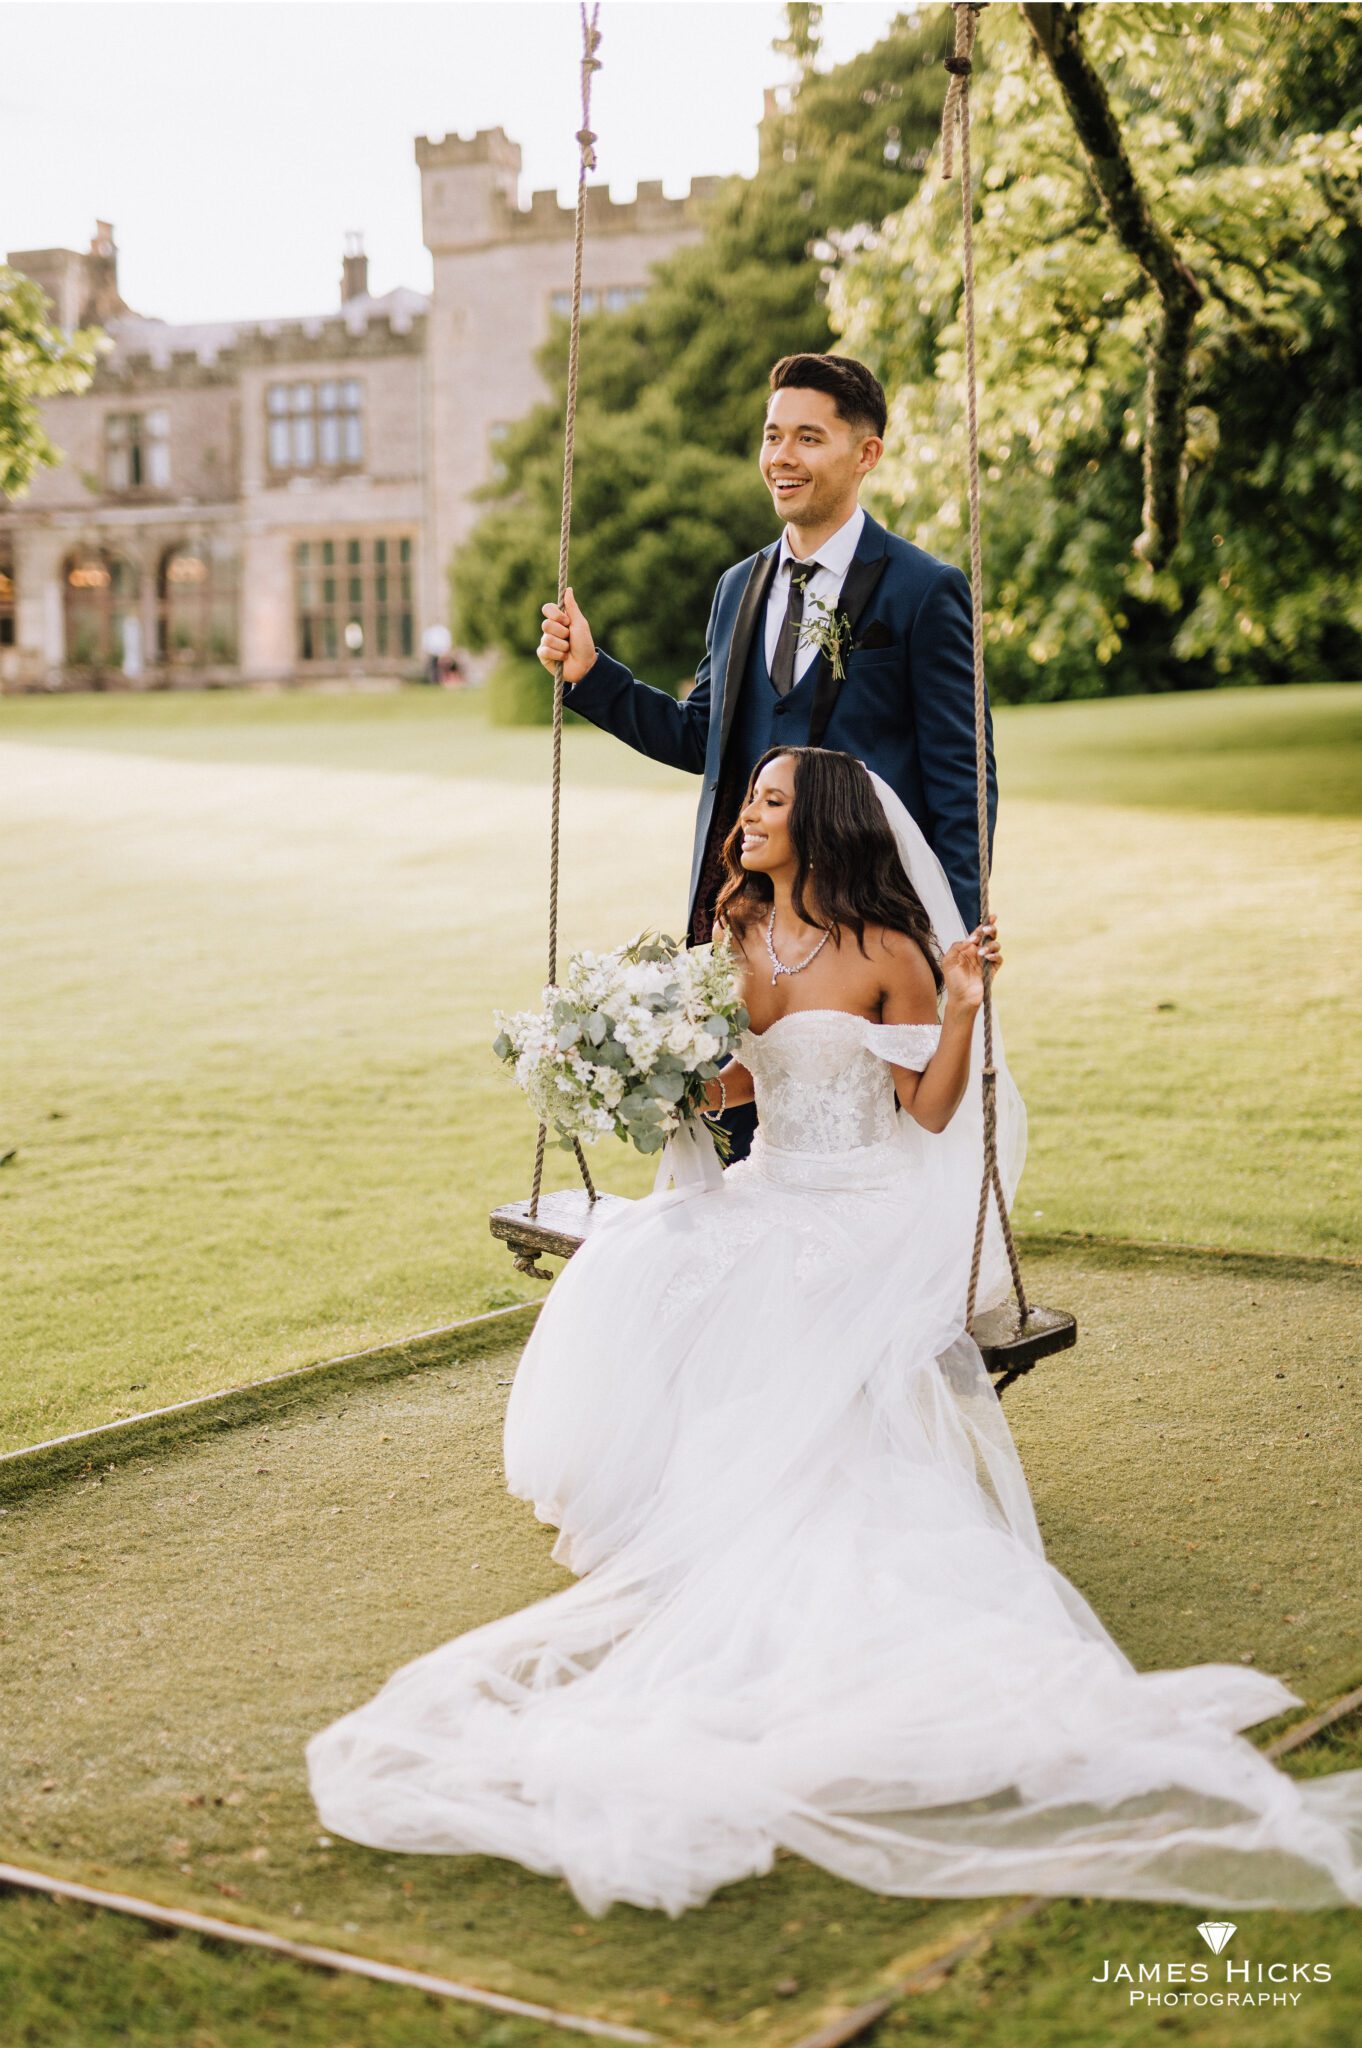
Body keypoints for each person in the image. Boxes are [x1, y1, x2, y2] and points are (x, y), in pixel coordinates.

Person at [307, 747, 1362, 1919]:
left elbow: (933, 1110)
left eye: (771, 800)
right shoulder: (735, 936)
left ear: (823, 821)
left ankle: (747, 1510)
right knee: (649, 1261)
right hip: (771, 1184)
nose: (748, 814)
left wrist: (963, 1005)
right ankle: (676, 1499)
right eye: (750, 799)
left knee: (774, 1290)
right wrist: (638, 1073)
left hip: (869, 1203)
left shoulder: (891, 951)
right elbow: (737, 1090)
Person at [537, 351, 995, 1164]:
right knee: (739, 1154)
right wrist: (593, 677)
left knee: (870, 1155)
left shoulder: (924, 590)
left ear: (866, 452)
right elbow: (702, 737)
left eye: (808, 438)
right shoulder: (736, 588)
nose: (782, 456)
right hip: (745, 930)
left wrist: (940, 940)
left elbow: (966, 784)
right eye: (772, 435)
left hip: (867, 935)